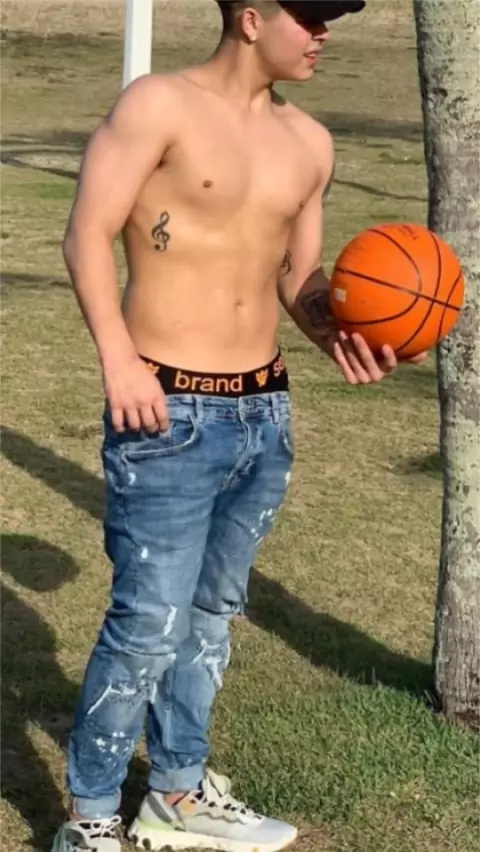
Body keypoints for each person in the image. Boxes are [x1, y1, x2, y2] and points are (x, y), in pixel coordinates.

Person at [52, 2, 427, 850]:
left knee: (211, 616)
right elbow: (86, 234)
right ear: (252, 18)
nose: (324, 33)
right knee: (148, 623)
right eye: (312, 16)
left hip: (264, 412)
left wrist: (343, 332)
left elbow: (299, 275)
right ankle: (89, 816)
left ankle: (176, 795)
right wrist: (118, 360)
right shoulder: (159, 105)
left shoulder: (311, 143)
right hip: (166, 408)